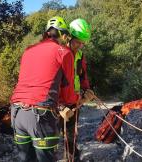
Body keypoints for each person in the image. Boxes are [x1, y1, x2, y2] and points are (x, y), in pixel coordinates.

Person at [10, 16, 90, 162]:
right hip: (41, 113)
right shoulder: (63, 52)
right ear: (64, 35)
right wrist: (77, 100)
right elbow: (67, 93)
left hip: (17, 111)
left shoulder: (28, 50)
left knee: (25, 158)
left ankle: (72, 155)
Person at [61, 18, 95, 162]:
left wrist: (87, 90)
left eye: (82, 43)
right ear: (69, 38)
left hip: (75, 99)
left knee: (70, 133)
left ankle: (71, 156)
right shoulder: (61, 53)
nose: (80, 46)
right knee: (56, 132)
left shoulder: (80, 55)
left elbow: (82, 75)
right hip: (60, 101)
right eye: (77, 42)